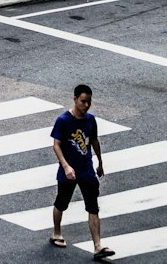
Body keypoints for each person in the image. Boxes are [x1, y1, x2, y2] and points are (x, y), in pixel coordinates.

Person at [50, 84, 114, 258]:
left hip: (86, 170)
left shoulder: (90, 120)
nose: (86, 105)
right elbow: (56, 145)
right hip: (68, 170)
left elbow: (94, 140)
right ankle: (56, 232)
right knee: (61, 203)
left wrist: (100, 162)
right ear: (75, 99)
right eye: (83, 101)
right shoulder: (63, 120)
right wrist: (65, 166)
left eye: (89, 102)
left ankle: (98, 246)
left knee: (93, 207)